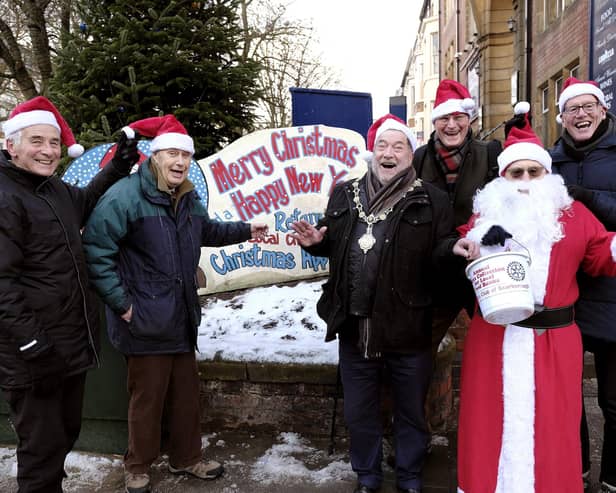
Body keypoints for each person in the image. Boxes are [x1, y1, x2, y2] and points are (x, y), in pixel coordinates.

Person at [82, 115, 268, 493]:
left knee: (185, 396)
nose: (179, 161)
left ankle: (187, 459)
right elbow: (96, 251)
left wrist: (246, 230)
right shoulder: (124, 196)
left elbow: (206, 230)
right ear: (154, 155)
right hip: (143, 320)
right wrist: (122, 304)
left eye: (184, 154)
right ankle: (137, 465)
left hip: (181, 316)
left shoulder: (186, 195)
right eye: (171, 153)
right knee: (147, 399)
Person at [290, 114, 460, 493]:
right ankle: (367, 476)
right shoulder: (344, 193)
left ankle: (410, 476)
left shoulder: (431, 198)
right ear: (372, 152)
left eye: (398, 146)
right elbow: (334, 241)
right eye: (382, 146)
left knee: (411, 411)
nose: (389, 153)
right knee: (359, 412)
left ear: (411, 154)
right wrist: (317, 242)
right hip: (354, 325)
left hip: (408, 325)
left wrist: (454, 249)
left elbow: (441, 247)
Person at [452, 103, 616, 493]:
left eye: (533, 171)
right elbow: (464, 243)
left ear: (547, 174)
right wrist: (473, 243)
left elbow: (599, 254)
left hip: (555, 341)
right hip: (494, 338)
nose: (525, 179)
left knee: (555, 425)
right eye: (516, 172)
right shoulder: (487, 215)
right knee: (489, 421)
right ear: (503, 176)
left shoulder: (572, 214)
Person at [0, 96, 139, 492]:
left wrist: (119, 164)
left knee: (62, 437)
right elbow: (2, 283)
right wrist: (31, 343)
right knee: (41, 452)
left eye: (54, 143)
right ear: (12, 145)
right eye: (37, 142)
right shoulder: (6, 196)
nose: (48, 151)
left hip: (66, 346)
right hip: (33, 353)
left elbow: (87, 198)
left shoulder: (51, 188)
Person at [550, 77, 616, 493]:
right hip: (565, 297)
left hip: (612, 293)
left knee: (614, 401)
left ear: (603, 110)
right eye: (572, 109)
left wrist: (586, 197)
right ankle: (572, 472)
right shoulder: (549, 161)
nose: (581, 114)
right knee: (566, 399)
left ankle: (611, 479)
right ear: (561, 117)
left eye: (589, 106)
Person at [412, 79, 501, 353]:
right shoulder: (419, 158)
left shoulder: (489, 153)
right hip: (436, 267)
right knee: (420, 347)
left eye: (458, 117)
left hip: (479, 266)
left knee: (496, 342)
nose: (452, 125)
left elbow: (504, 204)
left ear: (469, 119)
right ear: (435, 122)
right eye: (444, 118)